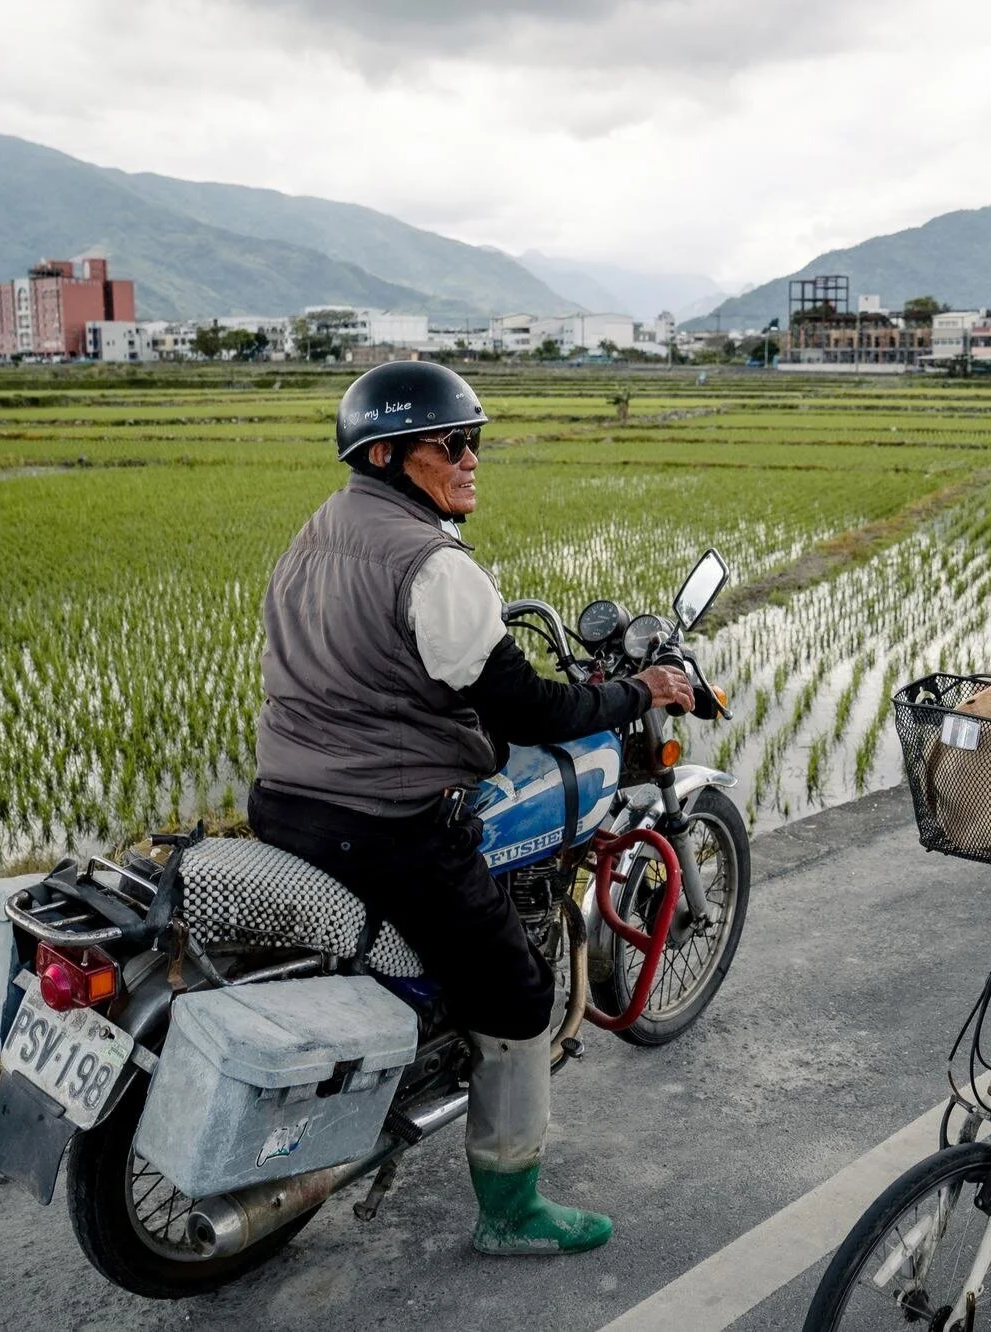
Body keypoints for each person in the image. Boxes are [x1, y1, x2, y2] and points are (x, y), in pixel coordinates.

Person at [245, 360, 693, 1257]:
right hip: (387, 823)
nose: (472, 458)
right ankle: (511, 1211)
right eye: (453, 443)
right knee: (517, 997)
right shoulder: (429, 562)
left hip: (284, 801)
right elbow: (532, 709)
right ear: (387, 455)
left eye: (476, 441)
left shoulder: (319, 529)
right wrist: (636, 691)